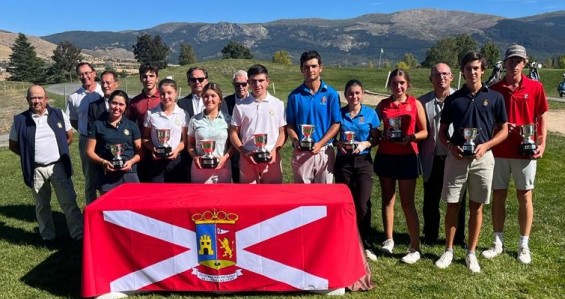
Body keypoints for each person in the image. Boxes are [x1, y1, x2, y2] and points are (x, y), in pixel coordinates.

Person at [435, 52, 508, 273]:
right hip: (457, 157)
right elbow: (441, 132)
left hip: (483, 158)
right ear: (463, 72)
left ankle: (471, 253)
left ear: (483, 70)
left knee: (477, 206)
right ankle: (448, 250)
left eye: (476, 68)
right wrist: (450, 147)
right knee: (452, 204)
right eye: (468, 68)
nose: (472, 72)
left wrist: (487, 146)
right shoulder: (453, 99)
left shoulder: (495, 97)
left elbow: (504, 129)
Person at [483, 45, 548, 264]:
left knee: (525, 196)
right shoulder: (495, 88)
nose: (514, 64)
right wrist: (499, 128)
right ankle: (498, 242)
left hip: (525, 152)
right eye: (511, 60)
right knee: (499, 196)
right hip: (500, 151)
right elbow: (487, 119)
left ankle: (523, 245)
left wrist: (542, 142)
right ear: (505, 62)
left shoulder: (535, 87)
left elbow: (541, 116)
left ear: (525, 63)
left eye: (518, 61)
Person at [9, 85, 83, 244]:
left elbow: (68, 137)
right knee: (42, 206)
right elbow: (13, 145)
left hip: (58, 167)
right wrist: (29, 157)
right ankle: (47, 236)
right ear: (28, 100)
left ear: (46, 99)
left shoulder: (58, 114)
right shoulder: (20, 120)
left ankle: (79, 235)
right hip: (36, 169)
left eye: (39, 97)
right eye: (33, 98)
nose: (36, 101)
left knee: (69, 202)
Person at [374, 69, 427, 264]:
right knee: (388, 199)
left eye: (402, 83)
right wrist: (380, 135)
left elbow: (425, 132)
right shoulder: (383, 105)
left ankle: (415, 246)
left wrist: (410, 137)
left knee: (407, 202)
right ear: (390, 85)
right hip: (386, 155)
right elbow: (372, 127)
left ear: (408, 84)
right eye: (395, 83)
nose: (398, 86)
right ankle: (389, 240)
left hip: (407, 157)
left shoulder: (415, 104)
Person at [419, 63, 467, 247]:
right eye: (437, 75)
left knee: (458, 200)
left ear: (452, 77)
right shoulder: (422, 102)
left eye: (445, 74)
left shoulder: (462, 99)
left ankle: (458, 238)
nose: (442, 78)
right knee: (430, 200)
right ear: (431, 79)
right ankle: (430, 235)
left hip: (456, 157)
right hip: (432, 158)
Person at [334, 79, 380, 261]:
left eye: (357, 93)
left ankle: (365, 241)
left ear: (363, 94)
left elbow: (377, 138)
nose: (354, 96)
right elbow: (333, 136)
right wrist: (339, 144)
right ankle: (347, 238)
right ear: (345, 95)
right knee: (345, 203)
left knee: (362, 203)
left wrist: (366, 143)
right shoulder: (339, 113)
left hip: (363, 161)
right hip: (343, 162)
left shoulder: (370, 114)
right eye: (351, 93)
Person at [286, 50, 341, 183]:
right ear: (301, 70)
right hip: (302, 151)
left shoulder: (331, 94)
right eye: (306, 67)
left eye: (314, 66)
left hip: (324, 150)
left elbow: (336, 123)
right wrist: (295, 141)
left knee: (324, 196)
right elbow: (290, 124)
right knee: (303, 196)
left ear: (320, 68)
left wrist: (320, 144)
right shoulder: (294, 96)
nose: (310, 70)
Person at [229, 64, 287, 183]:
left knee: (272, 196)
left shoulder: (278, 104)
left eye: (261, 80)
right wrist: (244, 152)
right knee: (248, 198)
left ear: (267, 81)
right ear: (249, 82)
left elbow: (282, 132)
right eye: (253, 81)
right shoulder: (240, 106)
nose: (257, 85)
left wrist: (275, 151)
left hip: (272, 158)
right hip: (247, 158)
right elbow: (233, 133)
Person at [86, 90, 142, 195]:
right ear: (109, 103)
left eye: (121, 104)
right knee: (109, 209)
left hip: (129, 173)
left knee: (132, 208)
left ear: (126, 107)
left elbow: (140, 152)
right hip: (107, 175)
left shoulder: (132, 125)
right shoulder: (97, 125)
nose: (117, 107)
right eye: (114, 103)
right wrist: (104, 162)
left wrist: (131, 162)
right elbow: (89, 152)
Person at [178, 67, 228, 182]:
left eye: (200, 79)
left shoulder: (220, 103)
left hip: (220, 160)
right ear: (188, 82)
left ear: (206, 80)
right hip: (195, 159)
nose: (197, 82)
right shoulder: (182, 103)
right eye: (193, 79)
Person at [66, 62, 104, 204]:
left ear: (94, 73)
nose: (85, 76)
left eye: (87, 72)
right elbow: (73, 120)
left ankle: (108, 210)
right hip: (86, 140)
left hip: (105, 140)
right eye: (81, 74)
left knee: (107, 176)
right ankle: (91, 212)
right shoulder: (74, 97)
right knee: (89, 179)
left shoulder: (103, 92)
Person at [142, 79, 189, 182]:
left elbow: (185, 140)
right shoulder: (151, 113)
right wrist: (153, 149)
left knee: (177, 195)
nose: (166, 97)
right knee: (158, 195)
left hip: (176, 161)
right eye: (162, 94)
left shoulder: (183, 114)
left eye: (169, 93)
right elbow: (145, 138)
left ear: (176, 93)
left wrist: (176, 151)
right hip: (156, 161)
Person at [187, 83, 235, 183]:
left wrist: (225, 158)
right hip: (200, 171)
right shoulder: (194, 120)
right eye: (205, 96)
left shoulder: (228, 120)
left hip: (222, 170)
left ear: (220, 99)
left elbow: (233, 145)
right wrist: (195, 157)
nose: (209, 99)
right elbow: (190, 144)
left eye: (213, 96)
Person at [128, 63, 161, 182]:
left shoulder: (164, 98)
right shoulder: (134, 102)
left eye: (151, 76)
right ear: (140, 78)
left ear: (157, 78)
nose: (148, 79)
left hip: (161, 149)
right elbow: (130, 125)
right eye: (144, 76)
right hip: (141, 149)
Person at [223, 70, 249, 183]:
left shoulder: (254, 100)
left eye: (244, 84)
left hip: (250, 146)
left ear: (248, 83)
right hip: (231, 147)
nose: (241, 87)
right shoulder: (225, 102)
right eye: (237, 84)